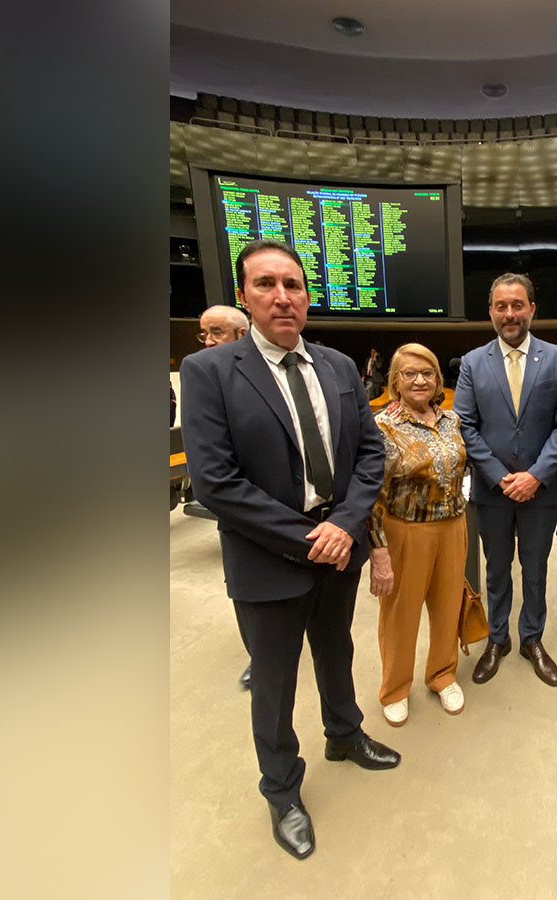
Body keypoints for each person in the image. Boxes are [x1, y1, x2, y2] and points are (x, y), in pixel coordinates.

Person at [180, 238, 400, 861]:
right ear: (244, 297)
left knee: (337, 650)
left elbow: (369, 454)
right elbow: (216, 482)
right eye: (266, 284)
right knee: (274, 683)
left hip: (339, 546)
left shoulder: (338, 366)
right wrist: (311, 539)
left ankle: (344, 734)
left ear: (307, 296)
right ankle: (281, 790)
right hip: (269, 555)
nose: (282, 296)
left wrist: (346, 526)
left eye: (293, 285)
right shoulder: (210, 372)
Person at [452, 273, 557, 686]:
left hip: (540, 492)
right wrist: (500, 476)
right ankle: (498, 639)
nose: (510, 314)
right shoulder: (472, 363)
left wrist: (536, 476)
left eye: (518, 305)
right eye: (502, 306)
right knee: (496, 569)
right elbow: (466, 426)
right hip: (492, 492)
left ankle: (532, 639)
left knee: (536, 568)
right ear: (490, 311)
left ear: (532, 309)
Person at [366, 343, 468, 726]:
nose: (420, 380)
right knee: (400, 615)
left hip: (453, 526)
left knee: (447, 607)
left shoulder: (451, 420)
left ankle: (442, 674)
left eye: (427, 373)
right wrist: (377, 549)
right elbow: (371, 494)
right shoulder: (381, 427)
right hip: (405, 531)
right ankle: (395, 688)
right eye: (410, 373)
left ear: (438, 380)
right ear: (395, 381)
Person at [194, 304, 254, 690]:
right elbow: (211, 472)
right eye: (205, 333)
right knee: (246, 591)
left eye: (217, 332)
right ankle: (258, 656)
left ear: (241, 334)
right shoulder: (204, 375)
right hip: (239, 508)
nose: (209, 341)